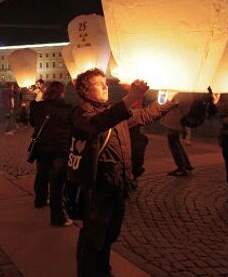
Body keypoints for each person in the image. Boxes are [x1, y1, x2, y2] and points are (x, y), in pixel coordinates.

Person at [71, 69, 176, 277]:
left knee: (109, 235)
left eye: (105, 82)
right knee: (92, 240)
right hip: (97, 189)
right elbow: (97, 124)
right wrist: (131, 98)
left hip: (117, 186)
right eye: (99, 83)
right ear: (85, 90)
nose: (105, 86)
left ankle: (103, 271)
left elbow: (143, 115)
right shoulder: (80, 114)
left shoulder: (113, 112)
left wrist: (169, 99)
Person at [29, 81, 74, 226]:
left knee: (41, 174)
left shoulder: (37, 107)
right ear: (61, 93)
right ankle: (57, 218)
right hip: (60, 148)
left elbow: (32, 123)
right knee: (57, 184)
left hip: (42, 147)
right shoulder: (68, 109)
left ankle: (39, 200)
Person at [160, 93, 198, 176]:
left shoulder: (178, 94)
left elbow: (164, 102)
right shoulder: (188, 94)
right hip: (178, 120)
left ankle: (181, 167)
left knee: (174, 144)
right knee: (176, 142)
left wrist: (164, 95)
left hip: (174, 120)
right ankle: (186, 164)